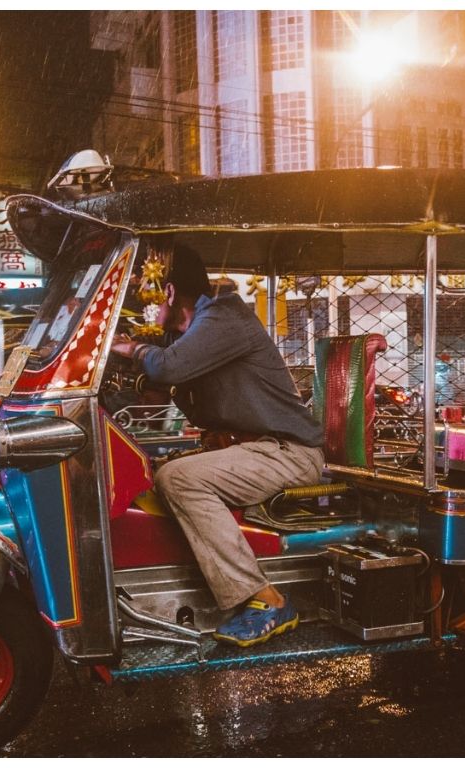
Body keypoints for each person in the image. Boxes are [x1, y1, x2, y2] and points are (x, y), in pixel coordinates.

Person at [110, 245, 324, 647]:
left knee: (179, 478)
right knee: (147, 471)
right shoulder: (183, 335)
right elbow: (156, 385)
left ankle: (267, 599)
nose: (146, 314)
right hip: (250, 451)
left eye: (147, 300)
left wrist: (129, 348)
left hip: (287, 452)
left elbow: (167, 367)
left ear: (169, 293)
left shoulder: (224, 317)